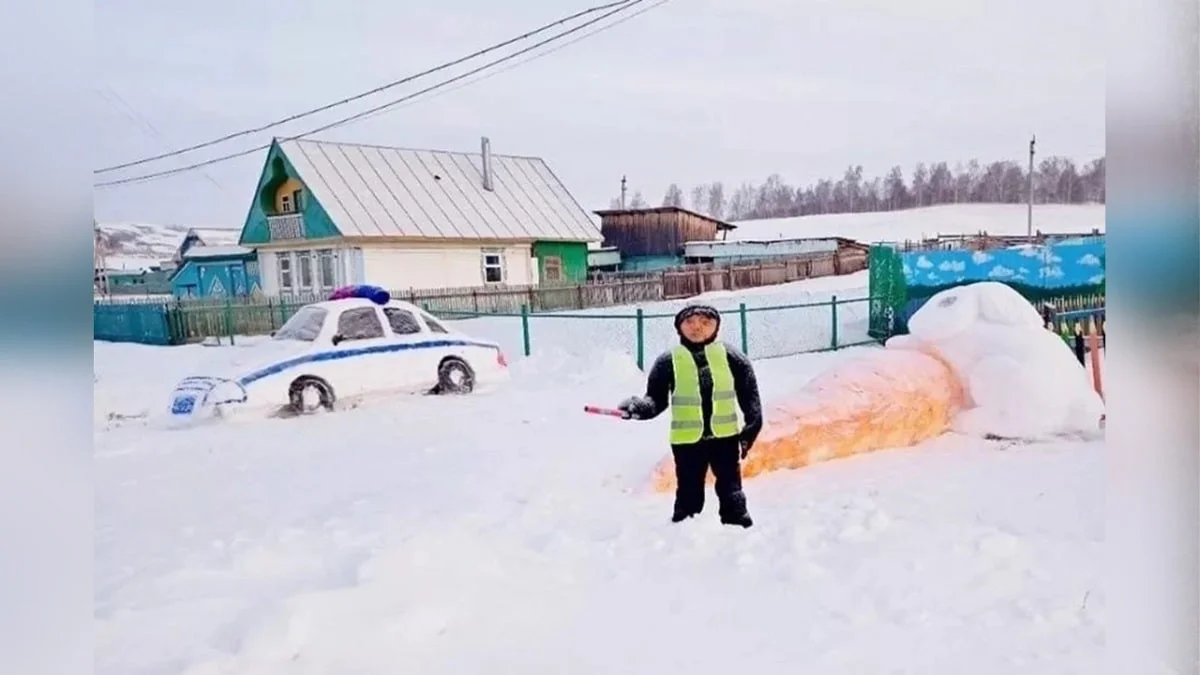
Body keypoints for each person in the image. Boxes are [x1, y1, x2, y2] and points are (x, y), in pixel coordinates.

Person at [617, 303, 762, 527]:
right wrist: (639, 408)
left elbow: (749, 396)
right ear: (679, 328)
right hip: (687, 441)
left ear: (716, 326)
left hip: (725, 438)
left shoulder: (733, 357)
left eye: (705, 322)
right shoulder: (668, 360)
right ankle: (684, 526)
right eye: (690, 322)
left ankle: (738, 524)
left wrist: (751, 429)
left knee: (731, 487)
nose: (697, 328)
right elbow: (655, 399)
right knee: (688, 488)